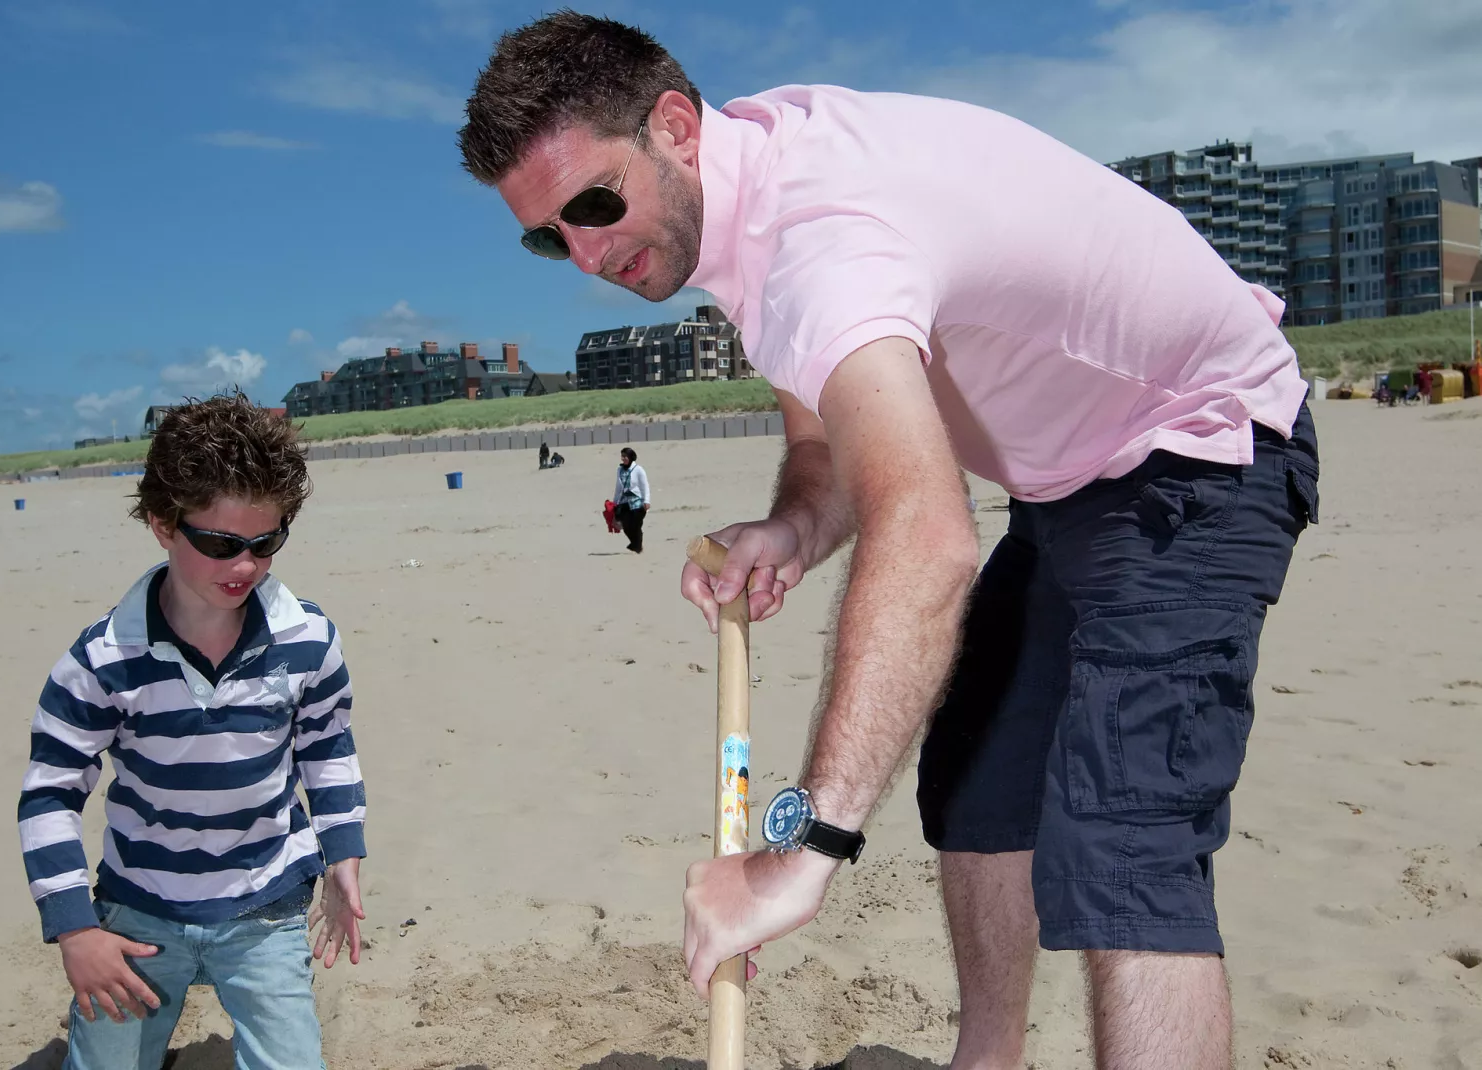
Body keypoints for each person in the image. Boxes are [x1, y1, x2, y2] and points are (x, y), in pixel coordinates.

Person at [459, 13, 1320, 1068]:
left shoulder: (823, 236)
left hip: (1199, 447)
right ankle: (987, 1056)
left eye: (594, 203)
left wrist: (801, 852)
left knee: (1123, 847)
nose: (587, 253)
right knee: (974, 781)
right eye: (551, 235)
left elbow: (927, 537)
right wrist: (791, 524)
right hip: (1065, 489)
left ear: (674, 126)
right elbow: (828, 452)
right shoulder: (749, 202)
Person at [16, 391, 367, 1070]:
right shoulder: (103, 662)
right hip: (138, 910)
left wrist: (343, 853)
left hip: (267, 902)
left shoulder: (309, 640)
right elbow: (51, 795)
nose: (245, 566)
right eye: (219, 544)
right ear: (161, 523)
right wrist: (75, 930)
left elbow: (327, 748)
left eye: (267, 543)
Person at [611, 447, 651, 553]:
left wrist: (647, 500)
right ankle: (635, 543)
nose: (623, 458)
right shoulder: (619, 470)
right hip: (624, 501)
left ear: (630, 457)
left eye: (625, 456)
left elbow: (645, 486)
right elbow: (618, 487)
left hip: (638, 503)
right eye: (622, 456)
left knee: (635, 525)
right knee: (626, 525)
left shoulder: (638, 469)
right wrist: (614, 502)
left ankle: (637, 546)